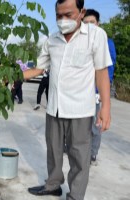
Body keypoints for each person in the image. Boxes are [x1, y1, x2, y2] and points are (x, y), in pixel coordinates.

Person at [22, 0, 112, 199]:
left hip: (80, 109)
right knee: (53, 151)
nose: (63, 20)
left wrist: (105, 107)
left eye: (68, 15)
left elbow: (101, 72)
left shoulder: (96, 36)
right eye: (58, 15)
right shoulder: (52, 39)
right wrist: (12, 76)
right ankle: (53, 184)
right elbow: (38, 68)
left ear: (82, 12)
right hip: (54, 107)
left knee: (79, 156)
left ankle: (75, 195)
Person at [83, 9, 117, 165]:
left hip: (95, 92)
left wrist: (101, 94)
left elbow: (108, 70)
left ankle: (92, 153)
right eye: (86, 23)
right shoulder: (80, 43)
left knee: (95, 126)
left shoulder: (107, 43)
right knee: (79, 124)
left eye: (92, 23)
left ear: (98, 23)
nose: (89, 26)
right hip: (81, 91)